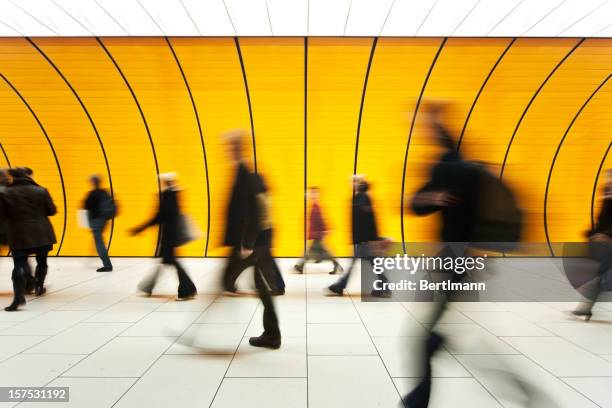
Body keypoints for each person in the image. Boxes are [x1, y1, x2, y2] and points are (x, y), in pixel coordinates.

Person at [221, 130, 281, 348]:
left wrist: (247, 243)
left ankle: (272, 335)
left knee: (231, 281)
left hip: (253, 242)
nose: (226, 151)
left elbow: (256, 211)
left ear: (236, 148)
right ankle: (272, 334)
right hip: (252, 241)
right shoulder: (243, 171)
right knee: (259, 286)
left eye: (229, 147)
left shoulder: (245, 172)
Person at [130, 173, 197, 301]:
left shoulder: (168, 196)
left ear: (165, 182)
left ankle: (187, 290)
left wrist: (140, 228)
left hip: (169, 237)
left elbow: (160, 216)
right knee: (166, 261)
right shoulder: (173, 194)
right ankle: (147, 287)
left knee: (172, 262)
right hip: (170, 235)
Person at [0, 167, 57, 311]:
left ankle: (18, 297)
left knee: (19, 264)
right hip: (41, 233)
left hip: (18, 234)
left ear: (13, 177)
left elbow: (2, 215)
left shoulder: (6, 193)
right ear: (27, 176)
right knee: (41, 261)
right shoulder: (41, 190)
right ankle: (39, 285)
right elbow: (52, 210)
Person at [327, 175, 390, 298]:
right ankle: (385, 286)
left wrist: (373, 239)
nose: (353, 184)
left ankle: (340, 286)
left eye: (355, 182)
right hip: (364, 240)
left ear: (360, 184)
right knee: (374, 264)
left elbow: (368, 221)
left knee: (368, 264)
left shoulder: (361, 198)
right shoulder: (360, 198)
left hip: (364, 240)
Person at [573, 169, 612, 320]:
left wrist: (605, 235)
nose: (608, 181)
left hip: (608, 240)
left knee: (602, 273)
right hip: (605, 241)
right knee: (602, 273)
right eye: (607, 179)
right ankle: (586, 307)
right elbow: (602, 220)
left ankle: (586, 307)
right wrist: (592, 232)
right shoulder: (606, 196)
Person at [294, 187, 343, 275]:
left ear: (317, 195)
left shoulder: (316, 207)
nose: (311, 195)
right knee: (317, 251)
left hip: (318, 234)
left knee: (319, 252)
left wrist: (326, 230)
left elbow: (321, 220)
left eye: (313, 193)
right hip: (317, 234)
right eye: (311, 193)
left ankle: (300, 266)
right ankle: (300, 266)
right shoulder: (314, 206)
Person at [83, 174, 114, 272]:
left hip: (96, 221)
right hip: (104, 220)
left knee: (99, 243)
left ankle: (107, 265)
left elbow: (86, 206)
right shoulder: (105, 192)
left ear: (93, 182)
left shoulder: (92, 194)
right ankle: (106, 263)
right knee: (99, 241)